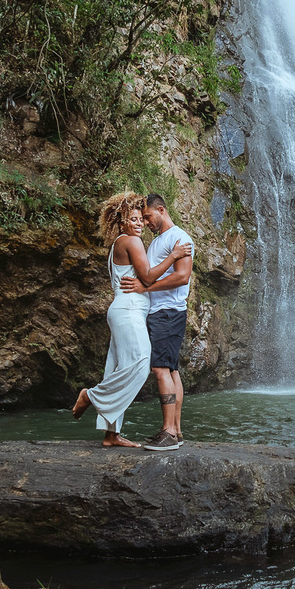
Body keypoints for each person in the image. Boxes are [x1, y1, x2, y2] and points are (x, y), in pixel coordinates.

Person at [73, 192, 190, 448]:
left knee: (118, 367)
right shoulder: (132, 242)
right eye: (134, 219)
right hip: (129, 310)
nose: (140, 224)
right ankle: (90, 396)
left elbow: (173, 277)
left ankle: (111, 435)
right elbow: (147, 277)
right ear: (122, 222)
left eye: (142, 218)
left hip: (128, 310)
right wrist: (172, 256)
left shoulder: (126, 242)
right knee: (138, 365)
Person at [120, 193, 194, 451]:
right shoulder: (159, 242)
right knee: (172, 370)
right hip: (161, 313)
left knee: (160, 369)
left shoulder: (180, 238)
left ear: (161, 210)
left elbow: (182, 277)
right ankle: (176, 429)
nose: (146, 222)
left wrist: (145, 289)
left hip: (168, 312)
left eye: (148, 217)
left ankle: (169, 432)